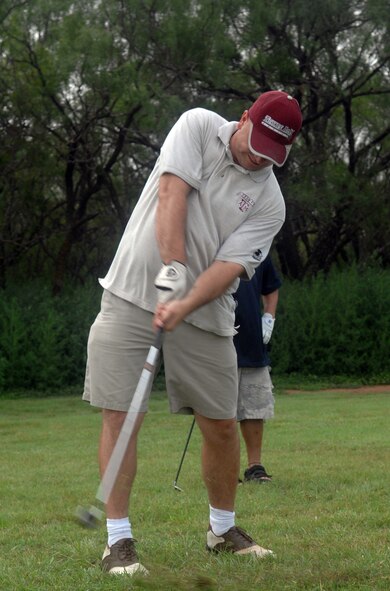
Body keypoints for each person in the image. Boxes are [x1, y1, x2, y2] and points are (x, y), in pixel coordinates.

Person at [83, 90, 302, 575]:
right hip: (131, 292)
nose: (258, 157)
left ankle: (222, 530)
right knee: (122, 414)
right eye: (256, 141)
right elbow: (171, 193)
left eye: (272, 153)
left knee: (222, 424)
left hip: (204, 312)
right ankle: (118, 540)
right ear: (244, 118)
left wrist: (183, 300)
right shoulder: (198, 126)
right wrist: (173, 269)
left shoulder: (270, 202)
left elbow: (228, 267)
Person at [233, 255, 281, 483]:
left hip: (252, 342)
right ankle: (224, 467)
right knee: (218, 412)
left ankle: (255, 467)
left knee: (254, 408)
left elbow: (270, 288)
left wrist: (269, 317)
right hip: (217, 339)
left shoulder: (258, 247)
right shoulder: (213, 240)